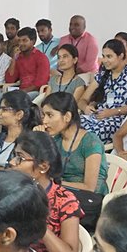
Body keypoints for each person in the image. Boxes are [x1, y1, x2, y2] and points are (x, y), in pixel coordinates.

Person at [9, 131, 82, 252]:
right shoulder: (12, 191)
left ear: (43, 166)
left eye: (20, 158)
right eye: (14, 156)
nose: (12, 162)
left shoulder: (64, 201)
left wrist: (38, 222)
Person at [40, 93, 107, 222]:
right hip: (64, 195)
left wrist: (55, 183)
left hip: (89, 201)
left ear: (67, 116)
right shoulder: (56, 140)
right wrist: (41, 141)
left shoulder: (90, 142)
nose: (44, 121)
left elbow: (89, 186)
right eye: (44, 115)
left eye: (50, 115)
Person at [78, 40, 127, 143]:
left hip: (119, 119)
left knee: (94, 132)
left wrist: (113, 112)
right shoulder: (102, 74)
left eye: (109, 56)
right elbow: (82, 99)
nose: (104, 60)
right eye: (103, 56)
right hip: (98, 116)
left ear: (121, 56)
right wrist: (86, 108)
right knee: (71, 124)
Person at [6, 28, 50, 95]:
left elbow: (40, 83)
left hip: (36, 92)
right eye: (19, 41)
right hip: (21, 91)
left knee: (15, 100)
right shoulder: (19, 58)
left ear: (33, 41)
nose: (21, 43)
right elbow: (9, 80)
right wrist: (14, 59)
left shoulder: (41, 58)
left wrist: (23, 92)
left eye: (24, 40)